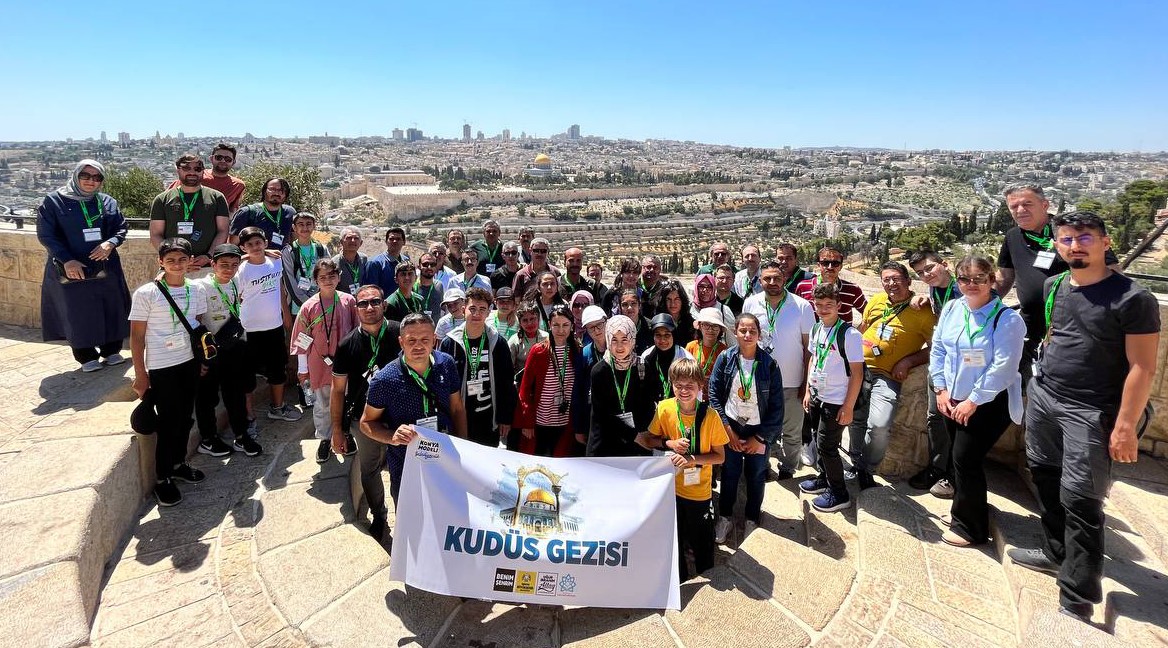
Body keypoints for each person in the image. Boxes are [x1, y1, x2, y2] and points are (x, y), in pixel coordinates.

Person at [1008, 212, 1160, 623]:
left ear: (1105, 242)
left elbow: (1142, 368)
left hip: (1091, 412)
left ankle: (1078, 593)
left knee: (1081, 499)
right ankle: (1056, 553)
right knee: (1044, 477)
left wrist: (1125, 426)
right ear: (1056, 245)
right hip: (1045, 397)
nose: (1075, 245)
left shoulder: (1132, 299)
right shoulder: (1056, 284)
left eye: (1085, 237)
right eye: (1066, 239)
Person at [926, 256, 1025, 547]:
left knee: (966, 459)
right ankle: (964, 510)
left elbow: (1004, 367)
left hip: (988, 403)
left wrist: (974, 400)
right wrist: (941, 389)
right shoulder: (953, 308)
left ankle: (971, 528)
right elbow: (940, 348)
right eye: (964, 279)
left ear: (992, 281)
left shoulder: (1007, 319)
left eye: (979, 279)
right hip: (952, 397)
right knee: (959, 460)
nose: (971, 284)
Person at [994, 184, 1119, 387]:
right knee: (1031, 387)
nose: (1020, 210)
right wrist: (977, 303)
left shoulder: (1070, 232)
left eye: (1027, 204)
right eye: (1013, 206)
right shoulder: (1012, 237)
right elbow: (1004, 278)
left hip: (1076, 329)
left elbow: (1113, 272)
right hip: (1030, 330)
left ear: (1045, 205)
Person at [128, 238, 209, 507]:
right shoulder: (146, 294)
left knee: (185, 419)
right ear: (160, 262)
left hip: (188, 362)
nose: (177, 264)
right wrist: (141, 375)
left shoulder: (195, 289)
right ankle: (163, 478)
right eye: (171, 260)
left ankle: (178, 464)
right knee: (168, 424)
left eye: (182, 259)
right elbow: (137, 338)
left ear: (190, 261)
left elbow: (196, 325)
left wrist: (201, 360)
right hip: (162, 367)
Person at [360, 314, 467, 511]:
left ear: (434, 339)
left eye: (425, 340)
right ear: (401, 342)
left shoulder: (447, 364)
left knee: (446, 515)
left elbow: (457, 408)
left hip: (445, 461)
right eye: (411, 340)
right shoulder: (384, 379)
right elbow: (366, 423)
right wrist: (392, 436)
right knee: (411, 523)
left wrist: (463, 448)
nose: (418, 346)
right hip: (406, 467)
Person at [37, 159, 131, 372]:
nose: (91, 181)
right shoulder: (54, 201)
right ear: (76, 176)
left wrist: (111, 243)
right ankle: (85, 355)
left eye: (97, 177)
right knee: (77, 310)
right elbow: (46, 235)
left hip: (104, 264)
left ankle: (111, 350)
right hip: (71, 265)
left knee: (110, 306)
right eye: (85, 176)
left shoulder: (107, 202)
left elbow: (121, 228)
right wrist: (66, 259)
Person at [849, 262, 936, 489]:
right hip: (859, 367)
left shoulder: (923, 311)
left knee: (879, 424)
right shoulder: (877, 301)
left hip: (885, 375)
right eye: (886, 279)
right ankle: (855, 464)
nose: (891, 284)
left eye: (896, 279)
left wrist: (908, 361)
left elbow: (934, 347)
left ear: (908, 281)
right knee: (856, 419)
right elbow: (864, 327)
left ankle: (867, 467)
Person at [641, 358, 729, 581]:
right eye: (678, 385)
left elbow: (720, 456)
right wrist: (668, 444)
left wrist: (691, 459)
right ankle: (678, 581)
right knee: (674, 539)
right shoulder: (664, 408)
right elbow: (649, 440)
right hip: (670, 489)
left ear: (700, 386)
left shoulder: (710, 416)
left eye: (690, 385)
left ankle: (707, 577)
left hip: (699, 492)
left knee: (702, 540)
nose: (683, 390)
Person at [329, 285, 401, 541]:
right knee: (369, 469)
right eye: (363, 304)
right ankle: (380, 517)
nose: (369, 308)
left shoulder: (400, 333)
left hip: (399, 417)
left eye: (375, 302)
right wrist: (336, 430)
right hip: (364, 419)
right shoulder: (348, 344)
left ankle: (404, 517)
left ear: (384, 304)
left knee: (401, 469)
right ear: (356, 308)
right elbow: (338, 391)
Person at [708, 314, 784, 544]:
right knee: (729, 475)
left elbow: (777, 407)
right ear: (735, 331)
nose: (748, 335)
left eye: (752, 331)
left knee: (756, 476)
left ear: (759, 334)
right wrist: (726, 430)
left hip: (757, 431)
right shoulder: (726, 358)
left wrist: (760, 438)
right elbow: (714, 395)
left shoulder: (770, 365)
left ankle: (752, 519)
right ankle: (726, 517)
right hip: (731, 427)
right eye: (743, 331)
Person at [743, 260, 814, 480]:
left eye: (777, 278)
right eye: (767, 278)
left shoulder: (802, 306)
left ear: (784, 278)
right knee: (761, 429)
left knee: (792, 431)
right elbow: (746, 342)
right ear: (760, 280)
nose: (772, 282)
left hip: (793, 381)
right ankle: (762, 467)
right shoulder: (751, 304)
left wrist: (806, 383)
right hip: (760, 380)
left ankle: (787, 469)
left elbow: (808, 350)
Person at [798, 283, 865, 513]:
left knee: (827, 446)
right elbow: (813, 361)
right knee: (819, 439)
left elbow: (857, 373)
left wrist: (848, 406)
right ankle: (824, 478)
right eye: (819, 305)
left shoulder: (850, 334)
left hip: (837, 400)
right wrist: (808, 390)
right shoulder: (817, 328)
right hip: (818, 396)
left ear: (839, 305)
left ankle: (839, 493)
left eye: (829, 305)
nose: (824, 309)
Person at [195, 244, 261, 457]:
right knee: (207, 397)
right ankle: (208, 439)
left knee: (235, 394)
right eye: (223, 265)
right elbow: (196, 322)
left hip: (234, 347)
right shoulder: (200, 287)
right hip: (211, 351)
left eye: (234, 265)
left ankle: (241, 435)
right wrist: (200, 359)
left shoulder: (235, 282)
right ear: (212, 264)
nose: (229, 269)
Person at [291, 259, 358, 464]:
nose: (327, 280)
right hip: (318, 363)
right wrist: (303, 369)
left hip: (344, 363)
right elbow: (302, 338)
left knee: (347, 401)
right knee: (322, 403)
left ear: (338, 277)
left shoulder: (349, 301)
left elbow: (357, 332)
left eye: (331, 276)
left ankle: (346, 434)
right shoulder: (308, 307)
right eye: (322, 277)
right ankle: (324, 438)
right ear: (316, 281)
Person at [907, 250, 961, 498]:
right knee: (935, 417)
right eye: (920, 273)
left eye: (929, 269)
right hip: (941, 363)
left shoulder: (966, 289)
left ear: (945, 264)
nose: (926, 275)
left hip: (964, 368)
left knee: (957, 421)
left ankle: (954, 476)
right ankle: (938, 469)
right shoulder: (935, 290)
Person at [236, 227, 301, 424]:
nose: (255, 247)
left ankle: (278, 407)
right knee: (247, 374)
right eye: (250, 244)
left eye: (258, 243)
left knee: (277, 368)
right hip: (249, 329)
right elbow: (235, 298)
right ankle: (248, 416)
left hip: (274, 326)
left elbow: (280, 288)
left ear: (265, 243)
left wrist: (285, 314)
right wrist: (243, 258)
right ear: (242, 247)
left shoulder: (275, 261)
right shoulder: (240, 271)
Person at [439, 287, 518, 447]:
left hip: (488, 417)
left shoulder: (498, 342)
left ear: (489, 312)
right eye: (472, 308)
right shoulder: (450, 342)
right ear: (463, 310)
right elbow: (442, 383)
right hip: (459, 417)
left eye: (482, 309)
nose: (476, 314)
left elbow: (506, 382)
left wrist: (505, 418)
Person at [513, 305, 591, 457]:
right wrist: (527, 422)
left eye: (565, 325)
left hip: (566, 422)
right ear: (549, 325)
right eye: (556, 325)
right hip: (541, 421)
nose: (560, 330)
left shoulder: (578, 351)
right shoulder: (539, 351)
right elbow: (525, 389)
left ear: (572, 326)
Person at [588, 315, 654, 457]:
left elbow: (648, 405)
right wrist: (633, 435)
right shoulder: (599, 371)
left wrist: (643, 436)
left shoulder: (642, 367)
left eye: (624, 339)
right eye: (614, 340)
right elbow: (602, 414)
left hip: (637, 445)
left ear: (632, 340)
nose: (619, 346)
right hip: (606, 445)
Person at [149, 154, 229, 272]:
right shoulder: (162, 199)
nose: (192, 172)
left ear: (203, 171)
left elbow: (223, 231)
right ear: (178, 170)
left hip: (206, 267)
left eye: (197, 169)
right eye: (186, 168)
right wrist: (176, 259)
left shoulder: (217, 197)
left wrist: (208, 256)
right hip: (172, 268)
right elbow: (156, 234)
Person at [794, 245, 867, 325]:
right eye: (825, 263)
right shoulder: (803, 287)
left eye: (835, 263)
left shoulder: (853, 290)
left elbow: (869, 314)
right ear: (819, 265)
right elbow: (795, 315)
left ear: (841, 266)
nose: (830, 267)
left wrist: (856, 334)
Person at [169, 143, 245, 213]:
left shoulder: (238, 185)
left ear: (233, 162)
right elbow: (168, 199)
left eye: (228, 159)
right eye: (219, 157)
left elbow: (232, 211)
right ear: (211, 159)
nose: (223, 161)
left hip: (215, 226)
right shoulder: (195, 175)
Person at [640, 314, 695, 408]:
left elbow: (694, 390)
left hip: (680, 408)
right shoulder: (646, 357)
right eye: (658, 335)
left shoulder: (686, 358)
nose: (662, 340)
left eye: (667, 335)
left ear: (673, 335)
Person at [281, 212, 329, 317]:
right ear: (294, 227)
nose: (305, 227)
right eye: (301, 224)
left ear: (314, 226)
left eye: (308, 224)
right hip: (297, 307)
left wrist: (317, 299)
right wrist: (306, 303)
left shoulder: (321, 249)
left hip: (320, 304)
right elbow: (290, 281)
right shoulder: (289, 251)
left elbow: (327, 275)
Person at [228, 177, 296, 249]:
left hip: (283, 259)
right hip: (253, 259)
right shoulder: (246, 213)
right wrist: (264, 253)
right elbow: (232, 246)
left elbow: (295, 242)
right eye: (272, 189)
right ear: (264, 191)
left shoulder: (290, 212)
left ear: (286, 194)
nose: (276, 193)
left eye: (281, 190)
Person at [686, 308, 729, 400]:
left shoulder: (724, 351)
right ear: (700, 326)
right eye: (706, 325)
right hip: (693, 396)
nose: (710, 330)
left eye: (715, 326)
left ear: (720, 329)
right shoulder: (691, 346)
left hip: (715, 397)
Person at [691, 273, 736, 346]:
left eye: (709, 287)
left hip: (718, 354)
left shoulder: (724, 310)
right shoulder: (689, 308)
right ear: (696, 287)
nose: (705, 290)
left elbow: (731, 340)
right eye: (701, 286)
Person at [367, 226, 411, 297]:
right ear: (386, 242)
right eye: (391, 239)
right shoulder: (375, 263)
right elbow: (371, 291)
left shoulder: (406, 261)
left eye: (398, 239)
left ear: (404, 242)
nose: (394, 241)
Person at [509, 300, 548, 377]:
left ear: (538, 319)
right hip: (522, 382)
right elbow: (508, 367)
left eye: (532, 319)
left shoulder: (546, 338)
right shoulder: (514, 341)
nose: (529, 323)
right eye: (525, 320)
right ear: (520, 322)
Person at [656, 280, 697, 345]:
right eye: (668, 299)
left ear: (682, 300)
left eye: (677, 299)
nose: (673, 304)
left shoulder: (691, 324)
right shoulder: (657, 322)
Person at [615, 288, 654, 354]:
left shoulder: (651, 327)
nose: (629, 308)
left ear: (639, 305)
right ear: (620, 308)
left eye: (633, 303)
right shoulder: (615, 328)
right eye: (625, 304)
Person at [332, 226, 369, 295]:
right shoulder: (334, 263)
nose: (353, 241)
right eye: (349, 238)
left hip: (361, 302)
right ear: (341, 242)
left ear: (361, 243)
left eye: (356, 238)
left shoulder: (364, 259)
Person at [415, 253, 445, 323]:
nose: (429, 267)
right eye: (425, 264)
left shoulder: (439, 286)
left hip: (434, 331)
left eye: (432, 264)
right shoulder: (412, 286)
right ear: (419, 266)